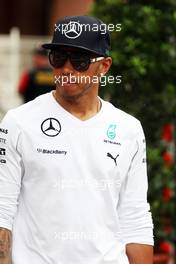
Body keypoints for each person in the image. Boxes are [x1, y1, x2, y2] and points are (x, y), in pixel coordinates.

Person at [0, 16, 154, 264]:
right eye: (59, 58)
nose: (67, 69)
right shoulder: (18, 122)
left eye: (80, 61)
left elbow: (135, 217)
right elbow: (2, 210)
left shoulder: (129, 129)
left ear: (104, 66)